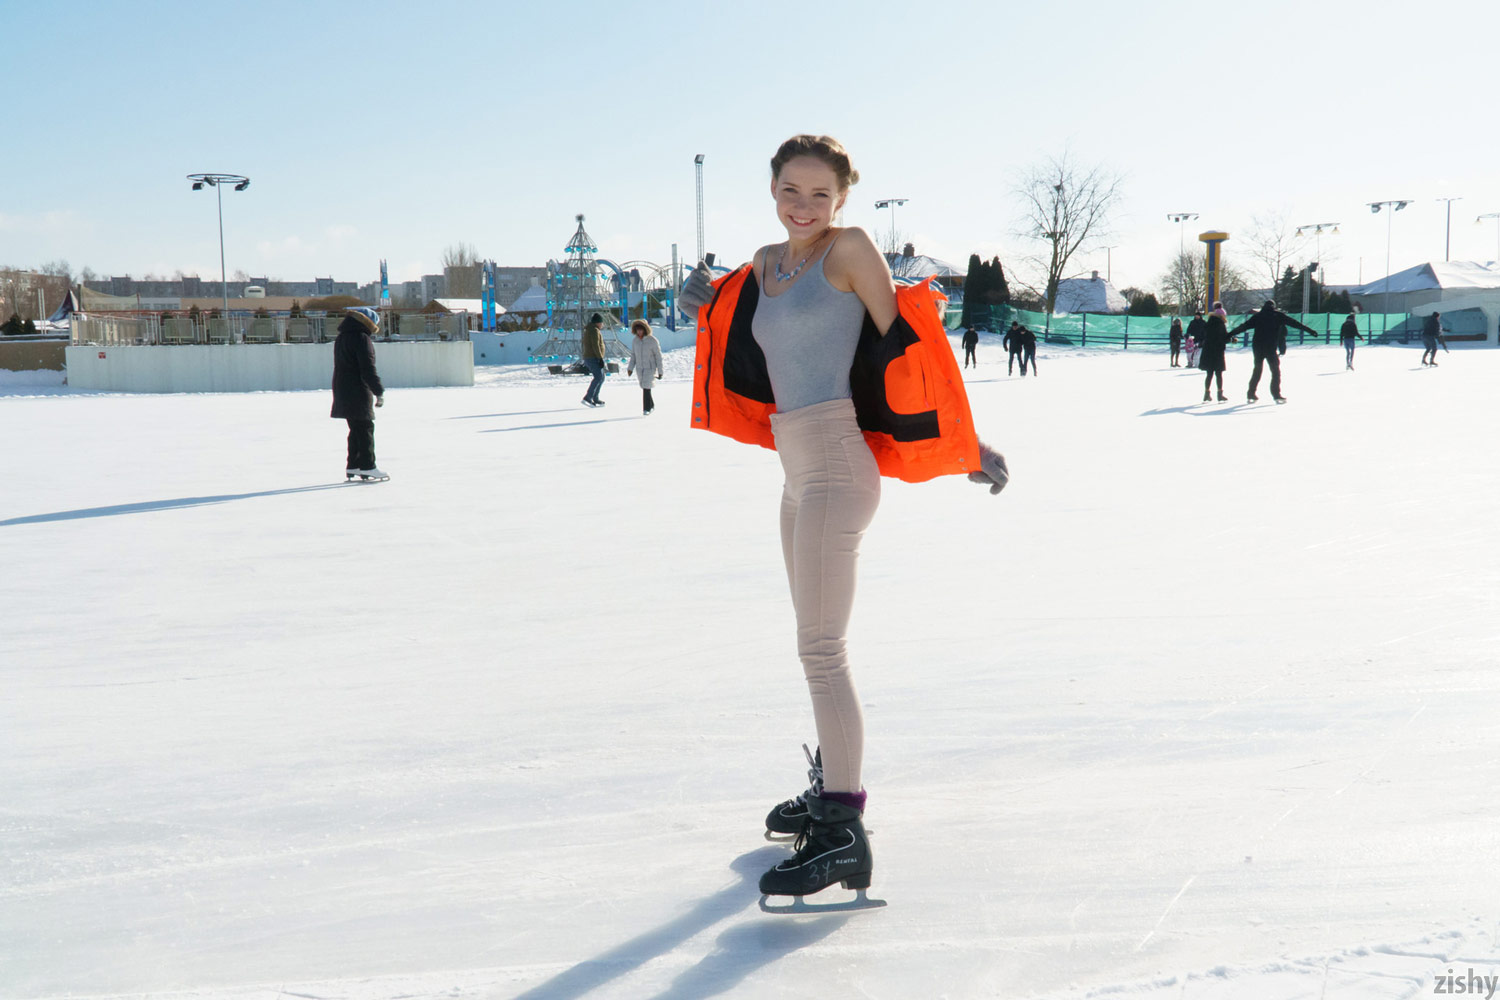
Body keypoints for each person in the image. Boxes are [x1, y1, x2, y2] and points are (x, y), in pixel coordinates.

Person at [677, 134, 1009, 906]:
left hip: (838, 462)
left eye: (820, 194)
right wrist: (703, 301)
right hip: (797, 473)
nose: (804, 206)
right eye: (792, 191)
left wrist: (961, 445)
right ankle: (835, 780)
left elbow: (909, 348)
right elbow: (731, 326)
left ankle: (843, 828)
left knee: (822, 649)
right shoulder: (763, 265)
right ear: (772, 190)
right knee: (812, 647)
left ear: (843, 200)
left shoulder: (850, 251)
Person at [330, 306, 387, 481]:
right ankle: (368, 466)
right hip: (357, 389)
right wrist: (379, 391)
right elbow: (367, 368)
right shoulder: (362, 339)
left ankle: (353, 465)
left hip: (342, 387)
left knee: (355, 428)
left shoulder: (341, 338)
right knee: (365, 428)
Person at [1229, 299, 1316, 403]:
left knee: (1257, 370)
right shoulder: (1278, 315)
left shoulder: (1258, 316)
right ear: (1273, 307)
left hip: (1258, 346)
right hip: (1270, 347)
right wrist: (1310, 331)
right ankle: (1276, 394)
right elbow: (1295, 323)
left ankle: (1251, 393)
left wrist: (1229, 334)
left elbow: (1243, 326)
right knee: (1275, 371)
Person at [626, 318, 664, 414]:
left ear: (645, 329)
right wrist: (630, 368)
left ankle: (646, 408)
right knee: (645, 387)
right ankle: (651, 405)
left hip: (650, 368)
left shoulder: (652, 340)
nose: (639, 332)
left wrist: (660, 371)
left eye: (641, 329)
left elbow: (658, 356)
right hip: (640, 369)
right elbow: (633, 355)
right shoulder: (635, 341)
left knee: (646, 388)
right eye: (637, 329)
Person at [1197, 303, 1233, 402]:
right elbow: (1224, 338)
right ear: (1221, 315)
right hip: (1217, 351)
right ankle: (1219, 394)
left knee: (1209, 374)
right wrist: (1231, 340)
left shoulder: (1208, 323)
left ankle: (1206, 394)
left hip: (1208, 351)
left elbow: (1204, 335)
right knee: (1218, 374)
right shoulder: (1220, 324)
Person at [580, 313, 607, 406]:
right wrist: (600, 358)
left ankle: (595, 398)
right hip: (592, 357)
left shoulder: (591, 329)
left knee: (602, 377)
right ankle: (588, 397)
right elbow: (595, 345)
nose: (602, 325)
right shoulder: (594, 330)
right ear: (598, 323)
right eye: (601, 322)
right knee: (598, 377)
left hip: (592, 357)